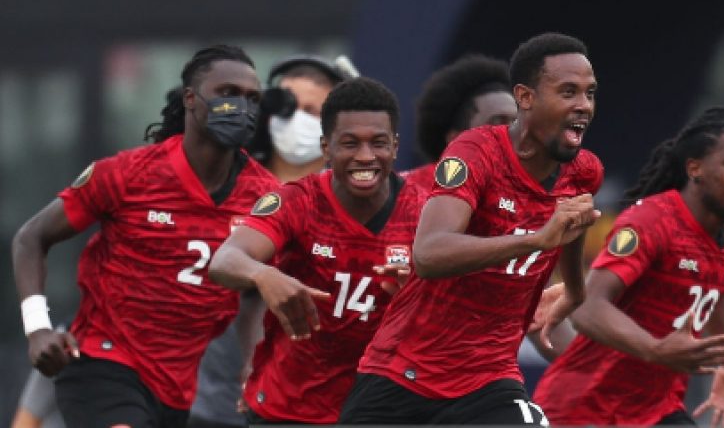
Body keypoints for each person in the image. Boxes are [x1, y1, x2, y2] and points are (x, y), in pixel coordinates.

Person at [338, 32, 602, 425]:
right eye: (568, 92)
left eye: (590, 93)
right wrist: (536, 239)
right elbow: (427, 255)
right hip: (403, 376)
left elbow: (574, 219)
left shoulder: (584, 170)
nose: (583, 106)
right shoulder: (475, 153)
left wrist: (574, 292)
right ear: (526, 98)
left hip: (489, 382)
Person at [12, 44, 280, 428]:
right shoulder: (128, 175)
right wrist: (37, 328)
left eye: (252, 98)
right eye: (228, 94)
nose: (241, 106)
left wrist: (255, 364)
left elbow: (255, 293)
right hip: (101, 363)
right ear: (191, 98)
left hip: (176, 388)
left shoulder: (264, 197)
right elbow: (30, 238)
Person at [209, 76, 426, 424]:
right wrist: (264, 275)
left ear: (396, 146)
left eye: (378, 143)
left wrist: (421, 293)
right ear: (326, 147)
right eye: (350, 143)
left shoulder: (425, 212)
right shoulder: (298, 201)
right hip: (287, 408)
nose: (365, 157)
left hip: (380, 410)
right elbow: (225, 259)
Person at [533, 106, 724, 427]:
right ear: (695, 168)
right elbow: (587, 310)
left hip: (656, 409)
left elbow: (718, 282)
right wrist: (656, 349)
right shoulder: (652, 222)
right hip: (586, 409)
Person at [188, 54, 357, 428]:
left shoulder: (357, 200)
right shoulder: (224, 180)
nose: (299, 119)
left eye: (314, 110)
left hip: (318, 400)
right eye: (288, 107)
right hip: (210, 398)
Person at [404, 54, 517, 187]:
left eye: (516, 122)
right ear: (455, 139)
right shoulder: (404, 193)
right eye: (498, 122)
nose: (513, 132)